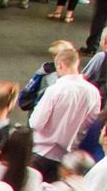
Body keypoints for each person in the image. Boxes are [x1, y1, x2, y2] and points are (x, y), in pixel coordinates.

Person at [30, 43, 100, 175]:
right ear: (77, 63)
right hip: (68, 158)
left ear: (60, 65)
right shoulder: (93, 92)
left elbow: (36, 123)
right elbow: (90, 124)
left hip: (42, 152)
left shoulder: (54, 90)